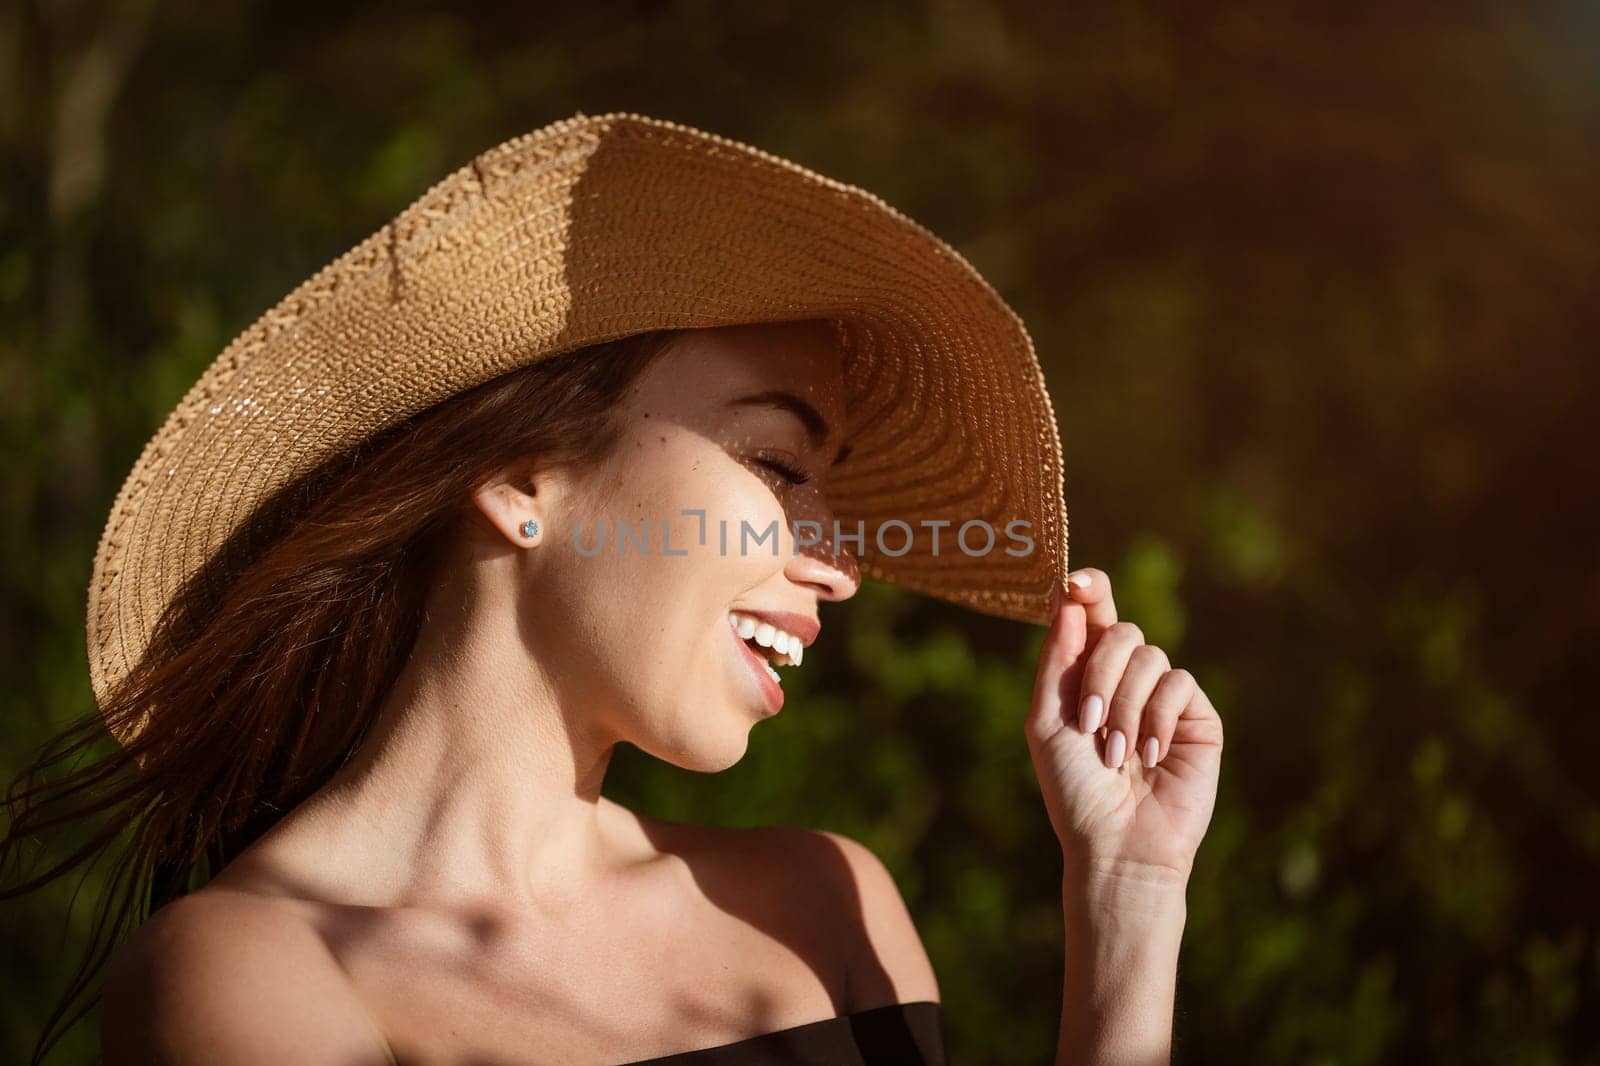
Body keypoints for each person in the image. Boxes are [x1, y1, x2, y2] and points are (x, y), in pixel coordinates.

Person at [3, 113, 1222, 1065]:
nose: (842, 564)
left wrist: (1125, 900)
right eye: (773, 461)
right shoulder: (251, 973)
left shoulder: (829, 906)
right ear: (523, 474)